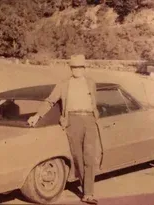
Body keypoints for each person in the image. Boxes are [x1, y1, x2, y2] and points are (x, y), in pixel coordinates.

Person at [28, 54, 100, 204]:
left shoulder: (90, 83)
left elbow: (94, 102)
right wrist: (37, 115)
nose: (77, 70)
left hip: (89, 119)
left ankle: (89, 193)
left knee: (90, 156)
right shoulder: (63, 84)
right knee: (78, 157)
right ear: (70, 68)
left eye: (80, 67)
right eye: (74, 67)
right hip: (72, 121)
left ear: (84, 68)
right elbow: (50, 101)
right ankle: (86, 191)